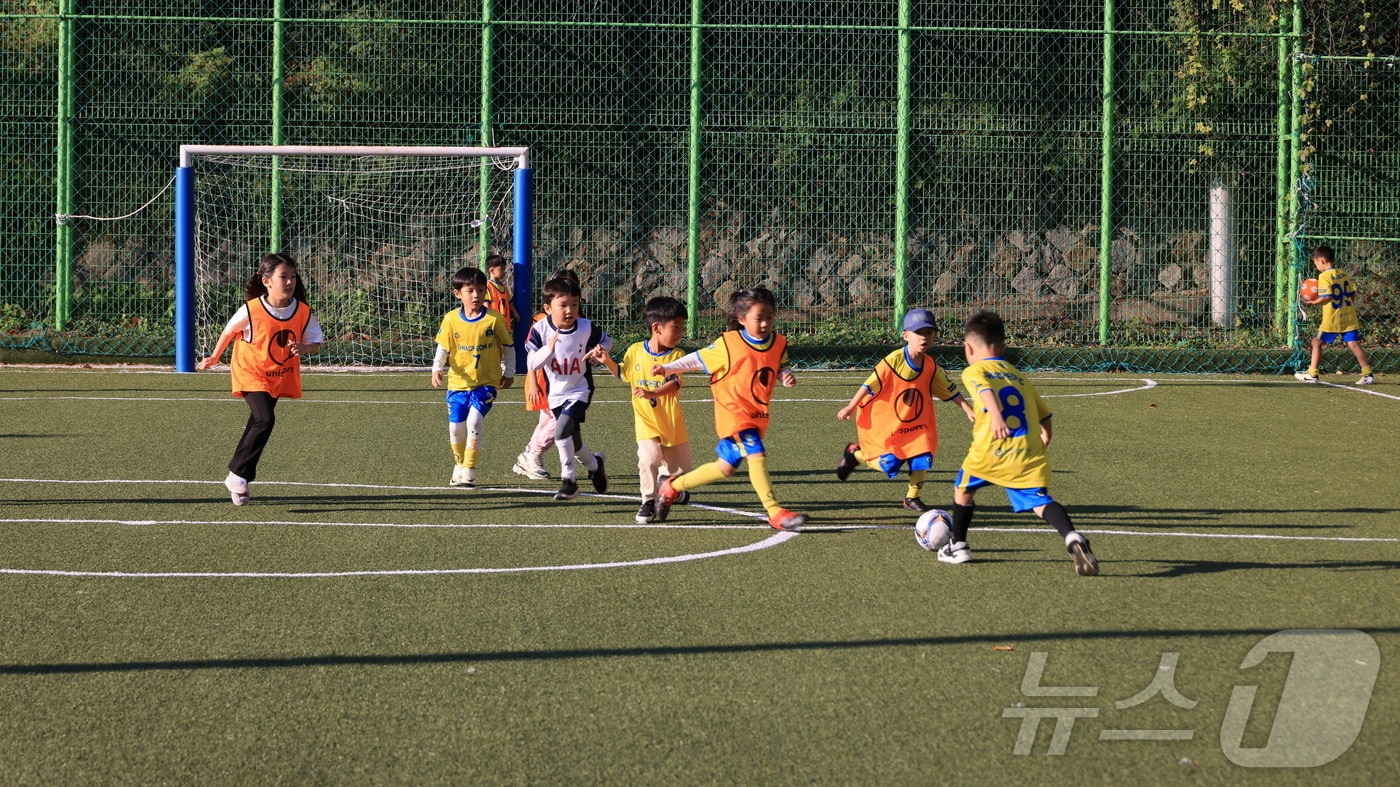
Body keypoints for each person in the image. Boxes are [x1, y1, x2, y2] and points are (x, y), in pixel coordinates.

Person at [943, 310, 1098, 575]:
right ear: (1003, 348)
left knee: (963, 489)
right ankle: (1072, 536)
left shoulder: (974, 370)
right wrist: (1046, 434)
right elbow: (1043, 411)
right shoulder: (1019, 376)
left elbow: (985, 390)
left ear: (967, 348)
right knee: (1039, 501)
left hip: (990, 448)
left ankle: (958, 546)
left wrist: (996, 417)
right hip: (1026, 450)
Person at [651, 286, 808, 531]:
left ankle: (672, 486)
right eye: (759, 318)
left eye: (769, 317)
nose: (765, 323)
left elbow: (778, 365)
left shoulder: (778, 342)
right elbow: (697, 358)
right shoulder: (728, 344)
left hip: (757, 414)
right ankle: (775, 512)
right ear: (742, 319)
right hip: (733, 414)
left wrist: (785, 375)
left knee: (725, 467)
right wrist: (668, 368)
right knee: (756, 452)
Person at [198, 252, 323, 506]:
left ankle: (236, 476)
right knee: (264, 418)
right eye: (283, 277)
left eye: (292, 277)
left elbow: (316, 342)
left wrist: (305, 348)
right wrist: (213, 357)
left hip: (277, 375)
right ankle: (240, 474)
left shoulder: (301, 310)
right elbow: (229, 332)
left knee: (258, 422)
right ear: (266, 281)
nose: (289, 282)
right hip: (250, 371)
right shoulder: (252, 309)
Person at [835, 307, 975, 512]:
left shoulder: (930, 366)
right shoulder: (893, 361)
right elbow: (869, 385)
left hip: (917, 424)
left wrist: (967, 409)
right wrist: (850, 406)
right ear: (906, 335)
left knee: (922, 457)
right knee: (887, 464)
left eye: (929, 333)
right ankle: (854, 455)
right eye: (919, 333)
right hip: (888, 423)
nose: (924, 338)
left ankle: (912, 497)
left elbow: (949, 389)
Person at [589, 296, 693, 523]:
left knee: (681, 469)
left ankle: (673, 490)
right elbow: (623, 374)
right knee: (649, 458)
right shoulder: (635, 351)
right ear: (656, 328)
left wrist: (653, 393)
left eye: (681, 329)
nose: (680, 334)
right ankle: (648, 501)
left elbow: (675, 382)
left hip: (672, 423)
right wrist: (606, 360)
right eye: (676, 328)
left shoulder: (677, 356)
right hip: (646, 421)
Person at [525, 276, 611, 500]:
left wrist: (599, 351)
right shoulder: (540, 329)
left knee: (561, 430)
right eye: (562, 305)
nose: (569, 310)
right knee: (574, 440)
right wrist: (548, 349)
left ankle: (569, 480)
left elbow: (607, 340)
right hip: (555, 394)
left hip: (580, 390)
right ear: (547, 308)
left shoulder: (585, 327)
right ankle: (594, 465)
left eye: (574, 304)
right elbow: (533, 363)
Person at [431, 266, 515, 488]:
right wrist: (436, 368)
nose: (476, 295)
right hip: (458, 383)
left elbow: (508, 347)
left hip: (486, 383)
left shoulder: (494, 320)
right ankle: (458, 464)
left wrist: (509, 372)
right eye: (470, 291)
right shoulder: (450, 320)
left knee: (474, 420)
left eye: (480, 290)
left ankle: (469, 467)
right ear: (458, 293)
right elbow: (443, 348)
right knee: (455, 428)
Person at [513, 267, 581, 481]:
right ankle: (531, 455)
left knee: (561, 424)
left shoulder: (578, 321)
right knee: (555, 422)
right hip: (544, 380)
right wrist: (532, 382)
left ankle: (587, 459)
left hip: (566, 380)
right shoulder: (542, 321)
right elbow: (531, 354)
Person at [1295, 244, 1375, 385]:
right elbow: (1352, 294)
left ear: (1321, 261)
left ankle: (1312, 374)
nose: (1316, 266)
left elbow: (1327, 296)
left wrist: (1314, 302)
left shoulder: (1324, 276)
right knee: (1354, 344)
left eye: (1315, 263)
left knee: (1316, 342)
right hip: (1348, 316)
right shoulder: (1343, 273)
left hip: (1332, 318)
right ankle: (1368, 374)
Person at [484, 253, 515, 335]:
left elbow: (508, 301)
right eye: (501, 269)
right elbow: (486, 304)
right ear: (491, 271)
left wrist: (515, 312)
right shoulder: (487, 286)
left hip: (505, 324)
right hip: (494, 324)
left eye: (504, 269)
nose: (504, 271)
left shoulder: (504, 286)